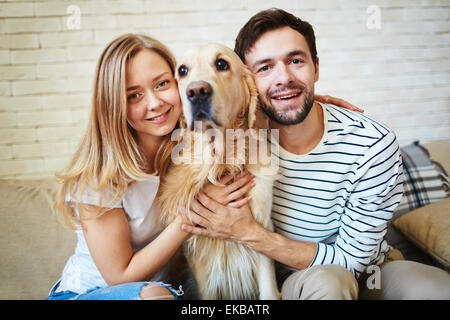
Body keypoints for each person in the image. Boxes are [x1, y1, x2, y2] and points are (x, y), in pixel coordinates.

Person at [47, 32, 352, 300]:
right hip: (90, 293)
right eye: (134, 95)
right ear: (113, 104)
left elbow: (242, 104)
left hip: (169, 292)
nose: (154, 103)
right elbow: (121, 278)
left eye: (163, 83)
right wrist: (195, 215)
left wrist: (311, 104)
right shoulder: (100, 178)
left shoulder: (179, 150)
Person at [181, 8, 450, 300]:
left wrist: (248, 233)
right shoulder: (240, 137)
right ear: (249, 84)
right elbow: (162, 121)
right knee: (327, 283)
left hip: (371, 273)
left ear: (316, 68)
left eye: (296, 61)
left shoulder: (372, 143)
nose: (283, 78)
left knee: (433, 290)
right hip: (298, 282)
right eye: (265, 68)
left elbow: (352, 261)